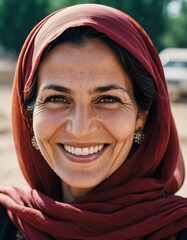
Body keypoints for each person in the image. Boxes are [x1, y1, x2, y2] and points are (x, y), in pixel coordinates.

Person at [0, 3, 187, 240]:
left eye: (107, 99)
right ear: (28, 113)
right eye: (57, 98)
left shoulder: (176, 229)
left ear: (142, 116)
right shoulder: (8, 221)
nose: (80, 129)